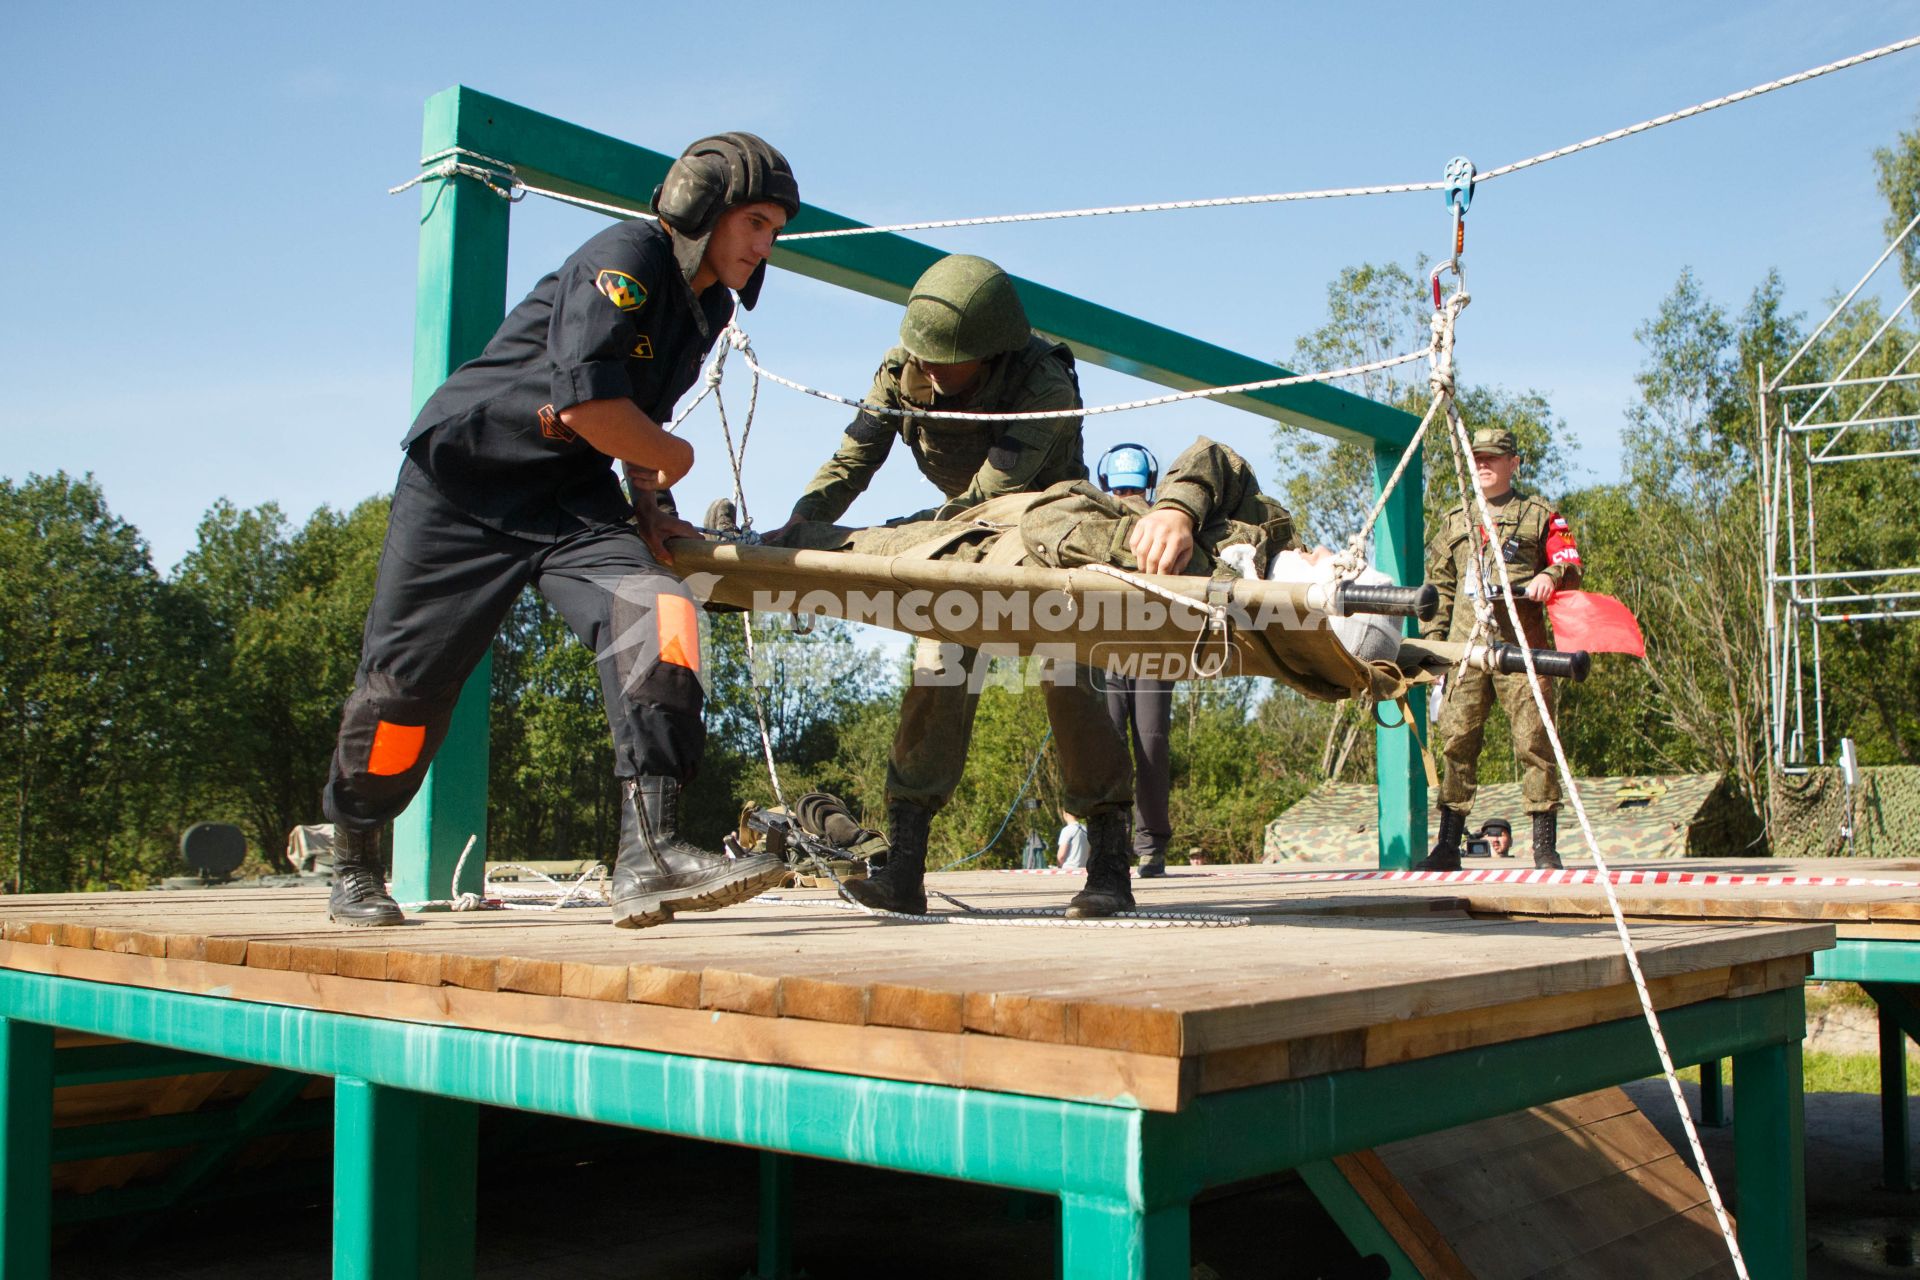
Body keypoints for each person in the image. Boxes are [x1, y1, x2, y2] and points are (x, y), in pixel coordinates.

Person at [320, 133, 802, 929]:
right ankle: (355, 861)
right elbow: (590, 408)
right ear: (698, 206)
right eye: (755, 222)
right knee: (405, 690)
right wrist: (675, 457)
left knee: (661, 612)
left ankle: (649, 853)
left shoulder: (708, 303)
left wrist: (648, 503)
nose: (764, 245)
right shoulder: (624, 258)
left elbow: (635, 415)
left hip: (569, 497)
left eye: (774, 231)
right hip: (464, 482)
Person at [773, 254, 1138, 918]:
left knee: (1068, 680)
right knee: (936, 669)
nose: (931, 372)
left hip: (1048, 532)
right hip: (963, 539)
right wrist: (802, 526)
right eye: (924, 356)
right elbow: (855, 456)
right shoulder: (901, 369)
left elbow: (981, 502)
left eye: (947, 360)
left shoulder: (1043, 385)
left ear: (993, 350)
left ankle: (1111, 865)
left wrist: (888, 539)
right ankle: (905, 871)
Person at [1416, 427, 1582, 871]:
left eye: (1493, 457)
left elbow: (1568, 560)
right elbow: (1439, 588)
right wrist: (1434, 650)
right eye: (1477, 458)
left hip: (1521, 646)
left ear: (1514, 463)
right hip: (1466, 648)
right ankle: (1448, 844)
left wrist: (1552, 575)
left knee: (1534, 739)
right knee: (1457, 740)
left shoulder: (1539, 514)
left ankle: (1544, 845)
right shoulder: (1456, 521)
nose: (1484, 465)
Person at [1094, 443, 1175, 878]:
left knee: (1105, 744)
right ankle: (1150, 848)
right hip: (1154, 647)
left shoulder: (1093, 516)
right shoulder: (1164, 518)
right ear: (1151, 479)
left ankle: (1106, 843)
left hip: (1110, 646)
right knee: (1150, 742)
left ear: (1106, 480)